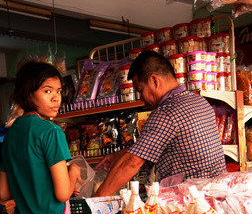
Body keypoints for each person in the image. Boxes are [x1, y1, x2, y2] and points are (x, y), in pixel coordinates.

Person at [94, 50, 227, 197]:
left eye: (140, 90)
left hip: (192, 204)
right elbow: (153, 146)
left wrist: (97, 199)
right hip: (216, 199)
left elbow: (132, 163)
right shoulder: (199, 101)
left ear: (155, 81)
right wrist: (119, 155)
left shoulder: (166, 112)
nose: (142, 99)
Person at [0, 61, 81, 214]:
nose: (56, 97)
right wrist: (74, 171)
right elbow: (62, 194)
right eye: (47, 90)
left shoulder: (11, 135)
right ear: (28, 93)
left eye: (59, 91)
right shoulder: (51, 132)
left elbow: (3, 193)